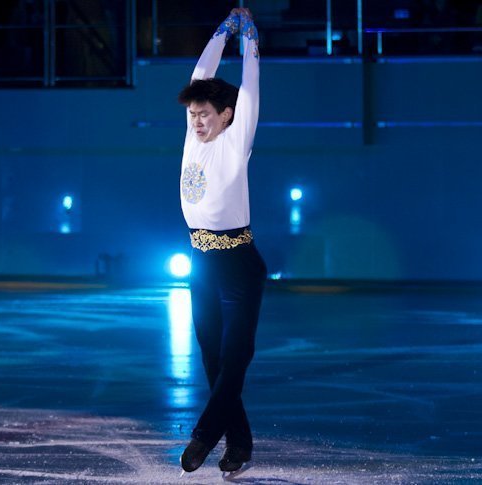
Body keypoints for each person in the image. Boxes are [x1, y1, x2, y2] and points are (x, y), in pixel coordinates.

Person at [176, 7, 267, 474]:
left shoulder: (235, 140)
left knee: (236, 356)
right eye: (192, 114)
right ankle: (241, 444)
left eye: (204, 114)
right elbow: (201, 74)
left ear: (225, 115)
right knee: (213, 358)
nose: (196, 121)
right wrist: (219, 33)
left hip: (238, 264)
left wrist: (248, 42)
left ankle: (204, 436)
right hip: (201, 263)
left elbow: (249, 89)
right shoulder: (194, 141)